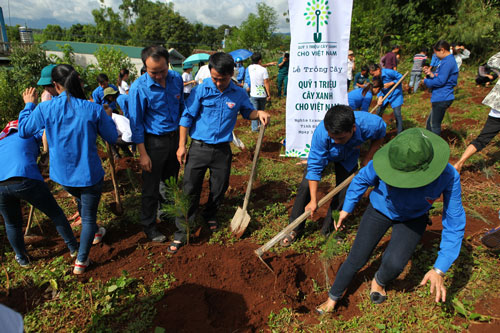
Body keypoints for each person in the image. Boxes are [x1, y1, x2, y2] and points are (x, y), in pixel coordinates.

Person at [316, 128, 465, 314]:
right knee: (356, 258)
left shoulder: (448, 176)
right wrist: (347, 207)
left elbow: (454, 223)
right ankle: (333, 297)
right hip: (380, 209)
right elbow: (362, 179)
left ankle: (378, 282)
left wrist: (439, 269)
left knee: (395, 263)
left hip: (413, 217)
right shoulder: (384, 160)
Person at [18, 64, 118, 274]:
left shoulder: (45, 108)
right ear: (77, 81)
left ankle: (96, 234)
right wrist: (106, 116)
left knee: (83, 203)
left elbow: (24, 130)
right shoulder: (92, 109)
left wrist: (28, 105)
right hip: (89, 174)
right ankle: (81, 261)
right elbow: (111, 137)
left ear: (55, 85)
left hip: (62, 176)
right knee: (89, 216)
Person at [173, 52, 270, 254]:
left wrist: (258, 113)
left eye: (223, 79)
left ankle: (210, 214)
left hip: (222, 150)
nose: (218, 83)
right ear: (210, 72)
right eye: (215, 78)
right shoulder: (200, 90)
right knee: (190, 187)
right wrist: (182, 146)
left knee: (220, 186)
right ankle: (184, 229)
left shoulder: (238, 92)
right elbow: (186, 118)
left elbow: (247, 111)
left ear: (231, 74)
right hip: (199, 147)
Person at [281, 105, 386, 246]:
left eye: (341, 138)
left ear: (353, 129)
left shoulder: (372, 124)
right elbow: (314, 167)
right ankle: (295, 228)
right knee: (306, 186)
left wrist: (368, 156)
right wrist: (313, 200)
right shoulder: (321, 133)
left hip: (348, 157)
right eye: (333, 138)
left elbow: (380, 135)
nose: (336, 141)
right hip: (327, 154)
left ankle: (330, 230)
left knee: (344, 192)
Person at [0, 116, 78, 268]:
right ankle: (74, 248)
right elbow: (46, 132)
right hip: (24, 177)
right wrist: (45, 154)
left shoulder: (2, 139)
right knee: (55, 214)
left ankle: (22, 259)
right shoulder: (29, 132)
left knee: (12, 224)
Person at [128, 45, 184, 243]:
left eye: (163, 70)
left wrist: (182, 142)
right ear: (145, 67)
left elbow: (182, 109)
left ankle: (166, 212)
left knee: (170, 180)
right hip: (153, 143)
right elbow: (136, 124)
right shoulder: (138, 88)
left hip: (174, 138)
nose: (160, 76)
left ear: (168, 64)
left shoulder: (176, 79)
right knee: (150, 187)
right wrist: (143, 154)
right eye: (154, 73)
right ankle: (149, 226)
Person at [454, 51, 500, 173]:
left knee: (482, 138)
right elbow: (491, 62)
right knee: (482, 138)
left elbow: (491, 61)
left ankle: (460, 163)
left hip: (497, 107)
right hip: (498, 108)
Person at [423, 40, 459, 136]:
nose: (436, 56)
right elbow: (442, 77)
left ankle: (435, 147)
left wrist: (426, 81)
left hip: (442, 96)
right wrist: (431, 74)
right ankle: (428, 144)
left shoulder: (447, 62)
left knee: (434, 125)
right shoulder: (446, 61)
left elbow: (441, 81)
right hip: (440, 96)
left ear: (442, 50)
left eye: (436, 53)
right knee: (429, 123)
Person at [369, 64, 405, 134]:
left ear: (378, 69)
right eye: (372, 75)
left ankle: (400, 133)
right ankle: (377, 130)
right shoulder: (375, 78)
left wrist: (391, 83)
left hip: (395, 94)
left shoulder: (389, 72)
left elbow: (401, 77)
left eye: (374, 74)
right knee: (378, 112)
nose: (373, 76)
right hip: (384, 95)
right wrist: (379, 98)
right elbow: (378, 88)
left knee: (397, 114)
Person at [248, 52, 271, 132]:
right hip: (262, 94)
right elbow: (266, 82)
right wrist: (269, 94)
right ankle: (262, 126)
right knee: (262, 110)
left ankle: (254, 128)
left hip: (253, 94)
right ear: (260, 60)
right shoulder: (263, 70)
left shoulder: (249, 68)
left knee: (255, 111)